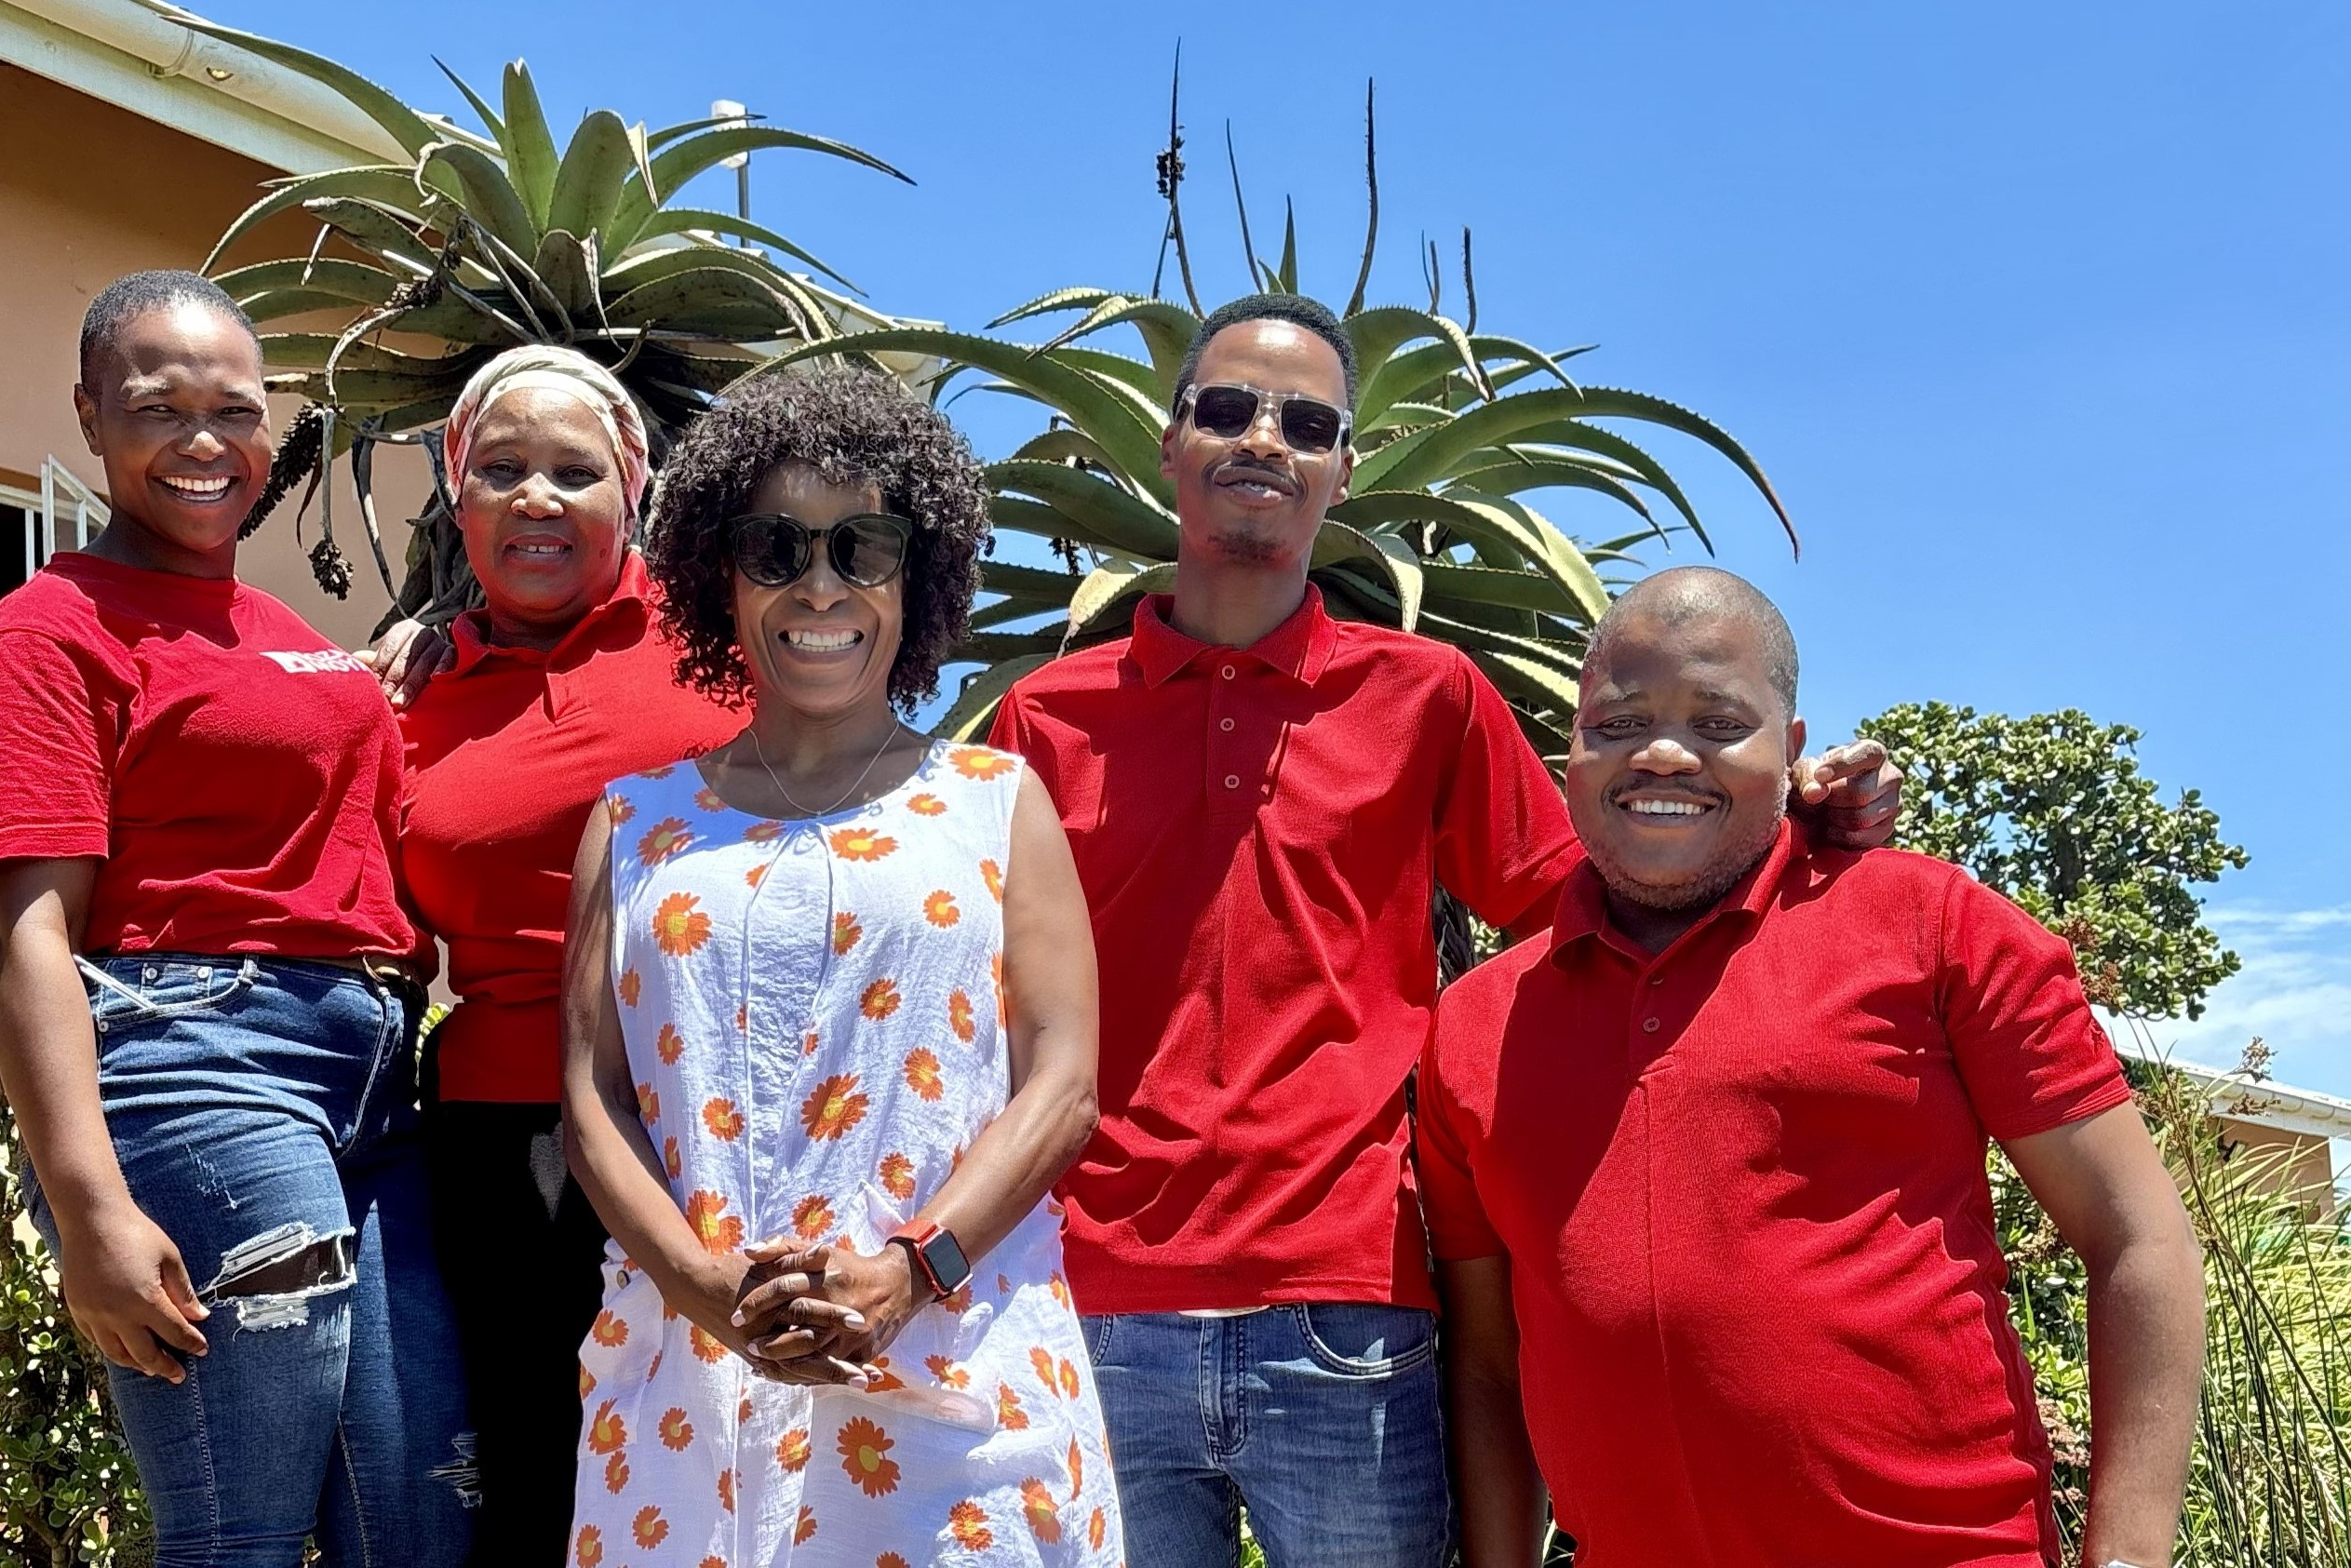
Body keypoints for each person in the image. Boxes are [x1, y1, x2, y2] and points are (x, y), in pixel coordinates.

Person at [986, 292, 1903, 1567]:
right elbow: (964, 994)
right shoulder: (1043, 718)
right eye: (1229, 409)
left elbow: (1586, 904)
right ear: (1170, 442)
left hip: (1352, 1306)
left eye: (1307, 422)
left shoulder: (1429, 697)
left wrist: (1779, 819)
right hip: (1093, 1307)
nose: (1266, 439)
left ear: (1343, 473)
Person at [1422, 566, 2205, 1568]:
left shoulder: (1932, 925)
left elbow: (2137, 1237)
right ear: (1568, 749)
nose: (1661, 751)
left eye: (1717, 720)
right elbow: (1489, 1362)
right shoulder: (1471, 1026)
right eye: (1615, 723)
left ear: (1790, 751)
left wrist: (2128, 1555)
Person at [0, 271, 472, 1567]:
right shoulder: (49, 633)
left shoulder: (285, 632)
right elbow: (30, 938)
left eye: (234, 410)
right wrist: (88, 1209)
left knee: (423, 1516)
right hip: (198, 1065)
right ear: (89, 414)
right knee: (243, 1529)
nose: (202, 443)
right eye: (157, 407)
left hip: (384, 1083)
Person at [558, 364, 1122, 1565]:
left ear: (916, 580)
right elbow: (592, 1096)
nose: (822, 583)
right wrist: (705, 1287)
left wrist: (914, 1271)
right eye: (777, 546)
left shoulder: (997, 801)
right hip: (686, 1381)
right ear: (722, 572)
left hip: (953, 1372)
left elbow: (1064, 1079)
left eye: (864, 546)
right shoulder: (632, 819)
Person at [391, 344, 745, 1560]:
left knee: (724, 1461)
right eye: (501, 469)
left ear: (630, 489)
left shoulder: (729, 645)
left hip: (711, 1120)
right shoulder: (413, 694)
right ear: (458, 494)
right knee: (532, 1480)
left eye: (571, 471)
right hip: (494, 1144)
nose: (535, 497)